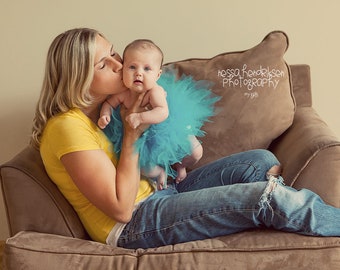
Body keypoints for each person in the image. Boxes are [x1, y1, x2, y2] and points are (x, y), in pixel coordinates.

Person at [31, 27, 340, 250]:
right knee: (267, 196)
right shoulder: (66, 128)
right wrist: (131, 134)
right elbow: (121, 209)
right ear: (78, 76)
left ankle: (271, 213)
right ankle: (280, 209)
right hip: (134, 223)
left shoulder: (102, 111)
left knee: (260, 161)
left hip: (162, 191)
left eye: (114, 53)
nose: (119, 64)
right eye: (104, 63)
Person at [97, 39, 206, 189]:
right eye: (132, 67)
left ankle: (180, 166)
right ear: (123, 70)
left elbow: (162, 112)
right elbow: (109, 104)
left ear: (158, 75)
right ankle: (160, 173)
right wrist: (105, 115)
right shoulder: (123, 93)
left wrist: (140, 117)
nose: (138, 73)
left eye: (147, 69)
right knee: (144, 167)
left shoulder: (155, 91)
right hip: (141, 140)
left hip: (166, 131)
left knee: (196, 152)